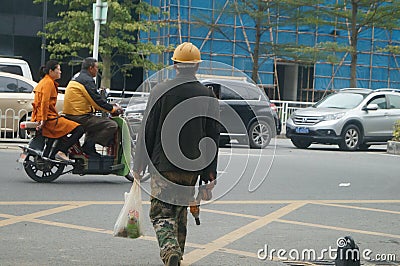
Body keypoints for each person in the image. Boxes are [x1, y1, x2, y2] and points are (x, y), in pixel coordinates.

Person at [133, 42, 220, 266]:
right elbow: (212, 136)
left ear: (174, 65)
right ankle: (177, 255)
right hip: (191, 167)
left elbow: (147, 129)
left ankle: (170, 250)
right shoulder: (207, 95)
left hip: (163, 164)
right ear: (197, 66)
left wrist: (139, 163)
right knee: (180, 213)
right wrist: (210, 172)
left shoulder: (159, 90)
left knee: (161, 213)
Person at [62, 57, 123, 157]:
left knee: (95, 122)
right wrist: (113, 109)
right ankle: (89, 146)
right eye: (96, 68)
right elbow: (97, 101)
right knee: (111, 125)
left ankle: (89, 148)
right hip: (80, 117)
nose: (97, 70)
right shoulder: (87, 80)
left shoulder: (77, 76)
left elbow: (90, 100)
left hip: (72, 114)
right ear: (91, 68)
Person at [31, 60, 84, 162]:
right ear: (51, 71)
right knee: (79, 129)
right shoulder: (48, 83)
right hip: (48, 119)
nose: (60, 72)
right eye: (58, 70)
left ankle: (49, 155)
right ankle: (62, 151)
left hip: (45, 117)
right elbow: (45, 103)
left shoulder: (44, 81)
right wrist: (44, 121)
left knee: (60, 131)